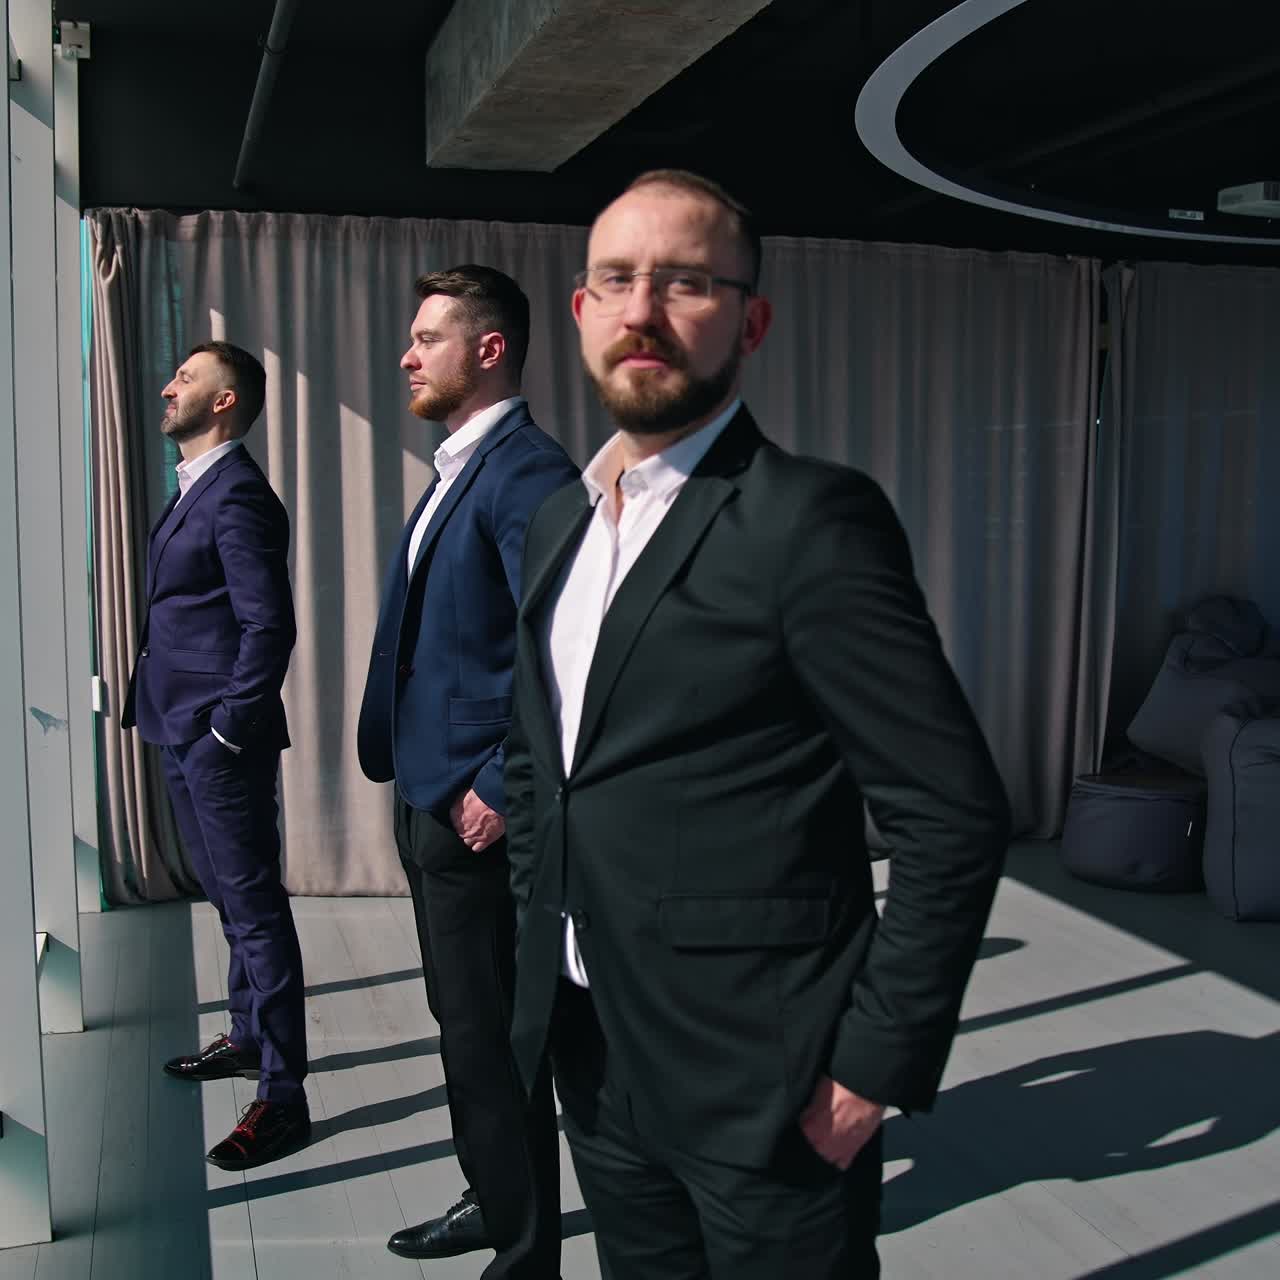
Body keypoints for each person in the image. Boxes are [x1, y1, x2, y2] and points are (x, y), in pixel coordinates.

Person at [504, 170, 1012, 1278]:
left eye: (684, 282)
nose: (642, 309)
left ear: (751, 318)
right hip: (591, 1053)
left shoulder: (806, 519)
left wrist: (870, 1066)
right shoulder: (558, 520)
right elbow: (544, 763)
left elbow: (950, 812)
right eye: (616, 280)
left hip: (765, 1081)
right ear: (581, 312)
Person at [357, 265, 578, 1273]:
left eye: (425, 337)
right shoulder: (463, 464)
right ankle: (494, 1194)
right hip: (427, 797)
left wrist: (499, 779)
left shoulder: (525, 470)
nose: (405, 354)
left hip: (477, 806)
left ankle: (524, 1251)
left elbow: (575, 643)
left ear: (487, 348)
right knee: (467, 1033)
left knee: (495, 1041)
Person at [123, 341, 309, 1171]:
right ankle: (245, 1037)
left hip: (215, 740)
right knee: (228, 905)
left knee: (256, 909)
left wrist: (229, 728)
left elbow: (270, 625)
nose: (169, 387)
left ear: (227, 401)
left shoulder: (238, 497)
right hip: (179, 726)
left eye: (187, 378)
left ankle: (282, 1097)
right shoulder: (194, 488)